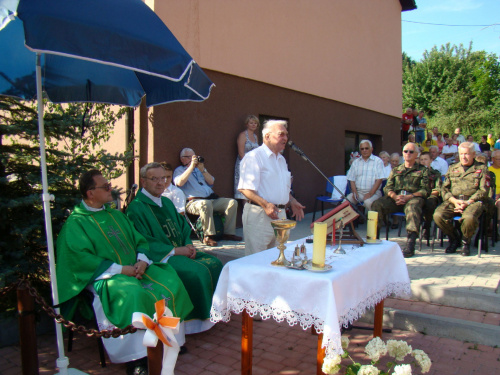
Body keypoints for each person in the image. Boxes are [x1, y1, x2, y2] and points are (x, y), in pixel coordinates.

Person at [56, 170, 193, 372]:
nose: (110, 189)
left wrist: (142, 261)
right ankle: (136, 358)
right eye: (105, 187)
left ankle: (169, 340)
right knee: (133, 294)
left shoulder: (115, 215)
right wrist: (121, 269)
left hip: (136, 269)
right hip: (106, 275)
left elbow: (140, 240)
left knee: (170, 280)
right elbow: (79, 258)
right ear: (90, 193)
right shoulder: (76, 223)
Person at [127, 162, 223, 334]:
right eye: (154, 179)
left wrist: (187, 243)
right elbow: (142, 240)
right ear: (144, 182)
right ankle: (193, 322)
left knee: (215, 264)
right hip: (162, 258)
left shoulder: (166, 202)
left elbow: (183, 227)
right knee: (197, 272)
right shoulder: (136, 208)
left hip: (181, 250)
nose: (160, 183)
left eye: (163, 178)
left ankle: (212, 315)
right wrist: (176, 251)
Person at [238, 119, 305, 256]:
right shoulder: (254, 157)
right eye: (281, 134)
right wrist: (266, 204)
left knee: (278, 258)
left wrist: (291, 201)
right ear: (267, 136)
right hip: (260, 216)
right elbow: (245, 188)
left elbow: (282, 187)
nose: (285, 138)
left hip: (280, 216)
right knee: (256, 261)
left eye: (286, 135)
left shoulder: (281, 160)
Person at [173, 148, 242, 247]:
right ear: (182, 159)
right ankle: (208, 236)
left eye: (194, 157)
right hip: (193, 202)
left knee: (231, 202)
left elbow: (211, 182)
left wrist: (203, 170)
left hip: (210, 199)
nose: (193, 159)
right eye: (190, 157)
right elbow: (179, 183)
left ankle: (228, 233)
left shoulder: (199, 170)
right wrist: (191, 167)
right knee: (205, 204)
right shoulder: (179, 170)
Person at [371, 142, 429, 258]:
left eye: (411, 151)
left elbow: (425, 190)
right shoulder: (396, 170)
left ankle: (410, 243)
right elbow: (388, 187)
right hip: (396, 198)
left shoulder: (423, 171)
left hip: (413, 198)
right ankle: (373, 238)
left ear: (416, 154)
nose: (408, 154)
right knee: (377, 204)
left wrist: (409, 196)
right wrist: (394, 196)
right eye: (405, 151)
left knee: (413, 207)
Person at [433, 142, 490, 256]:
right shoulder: (453, 168)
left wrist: (468, 202)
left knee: (469, 218)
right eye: (461, 154)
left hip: (472, 201)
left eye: (467, 154)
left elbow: (483, 190)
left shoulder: (481, 168)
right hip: (454, 201)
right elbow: (444, 189)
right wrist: (454, 201)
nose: (463, 157)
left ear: (473, 154)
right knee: (438, 215)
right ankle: (454, 238)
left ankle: (465, 242)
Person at [345, 140, 384, 210]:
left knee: (368, 202)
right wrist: (354, 193)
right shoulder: (356, 162)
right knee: (346, 202)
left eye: (366, 148)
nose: (364, 150)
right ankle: (352, 221)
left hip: (374, 193)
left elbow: (379, 179)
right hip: (359, 193)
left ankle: (368, 220)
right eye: (362, 149)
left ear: (371, 149)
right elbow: (352, 179)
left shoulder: (378, 161)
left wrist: (370, 194)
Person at [234, 115, 260, 200]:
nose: (253, 125)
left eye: (255, 123)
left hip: (254, 166)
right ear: (247, 124)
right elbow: (241, 153)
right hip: (244, 165)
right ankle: (245, 210)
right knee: (244, 187)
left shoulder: (256, 137)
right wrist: (249, 165)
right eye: (251, 123)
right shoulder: (243, 135)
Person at [419, 152, 442, 239]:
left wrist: (428, 195)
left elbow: (437, 189)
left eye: (425, 159)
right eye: (421, 159)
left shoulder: (435, 174)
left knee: (429, 202)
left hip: (431, 196)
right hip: (418, 196)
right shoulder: (416, 173)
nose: (423, 162)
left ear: (431, 161)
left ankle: (427, 225)